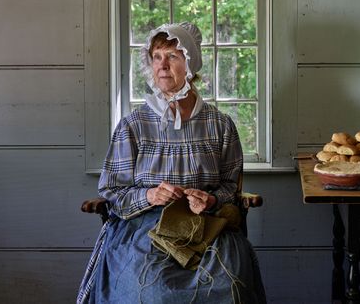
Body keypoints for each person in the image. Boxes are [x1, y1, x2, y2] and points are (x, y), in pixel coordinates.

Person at [77, 22, 266, 304]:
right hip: (144, 226)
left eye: (172, 57)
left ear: (191, 63)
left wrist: (211, 201)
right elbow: (113, 190)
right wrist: (149, 195)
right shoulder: (134, 125)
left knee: (230, 285)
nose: (162, 65)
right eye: (157, 57)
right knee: (152, 292)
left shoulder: (219, 124)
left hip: (205, 224)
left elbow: (229, 186)